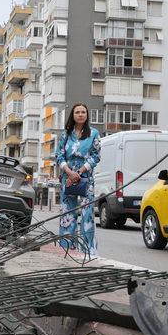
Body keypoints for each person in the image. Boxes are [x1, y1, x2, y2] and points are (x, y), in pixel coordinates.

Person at [54, 102, 101, 257]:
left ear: (87, 115)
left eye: (83, 112)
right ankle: (66, 248)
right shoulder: (65, 135)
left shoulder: (94, 133)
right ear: (72, 116)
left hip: (86, 178)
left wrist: (79, 172)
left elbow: (96, 156)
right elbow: (59, 155)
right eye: (77, 112)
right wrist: (69, 172)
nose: (80, 114)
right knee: (68, 212)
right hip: (67, 178)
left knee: (87, 214)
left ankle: (88, 250)